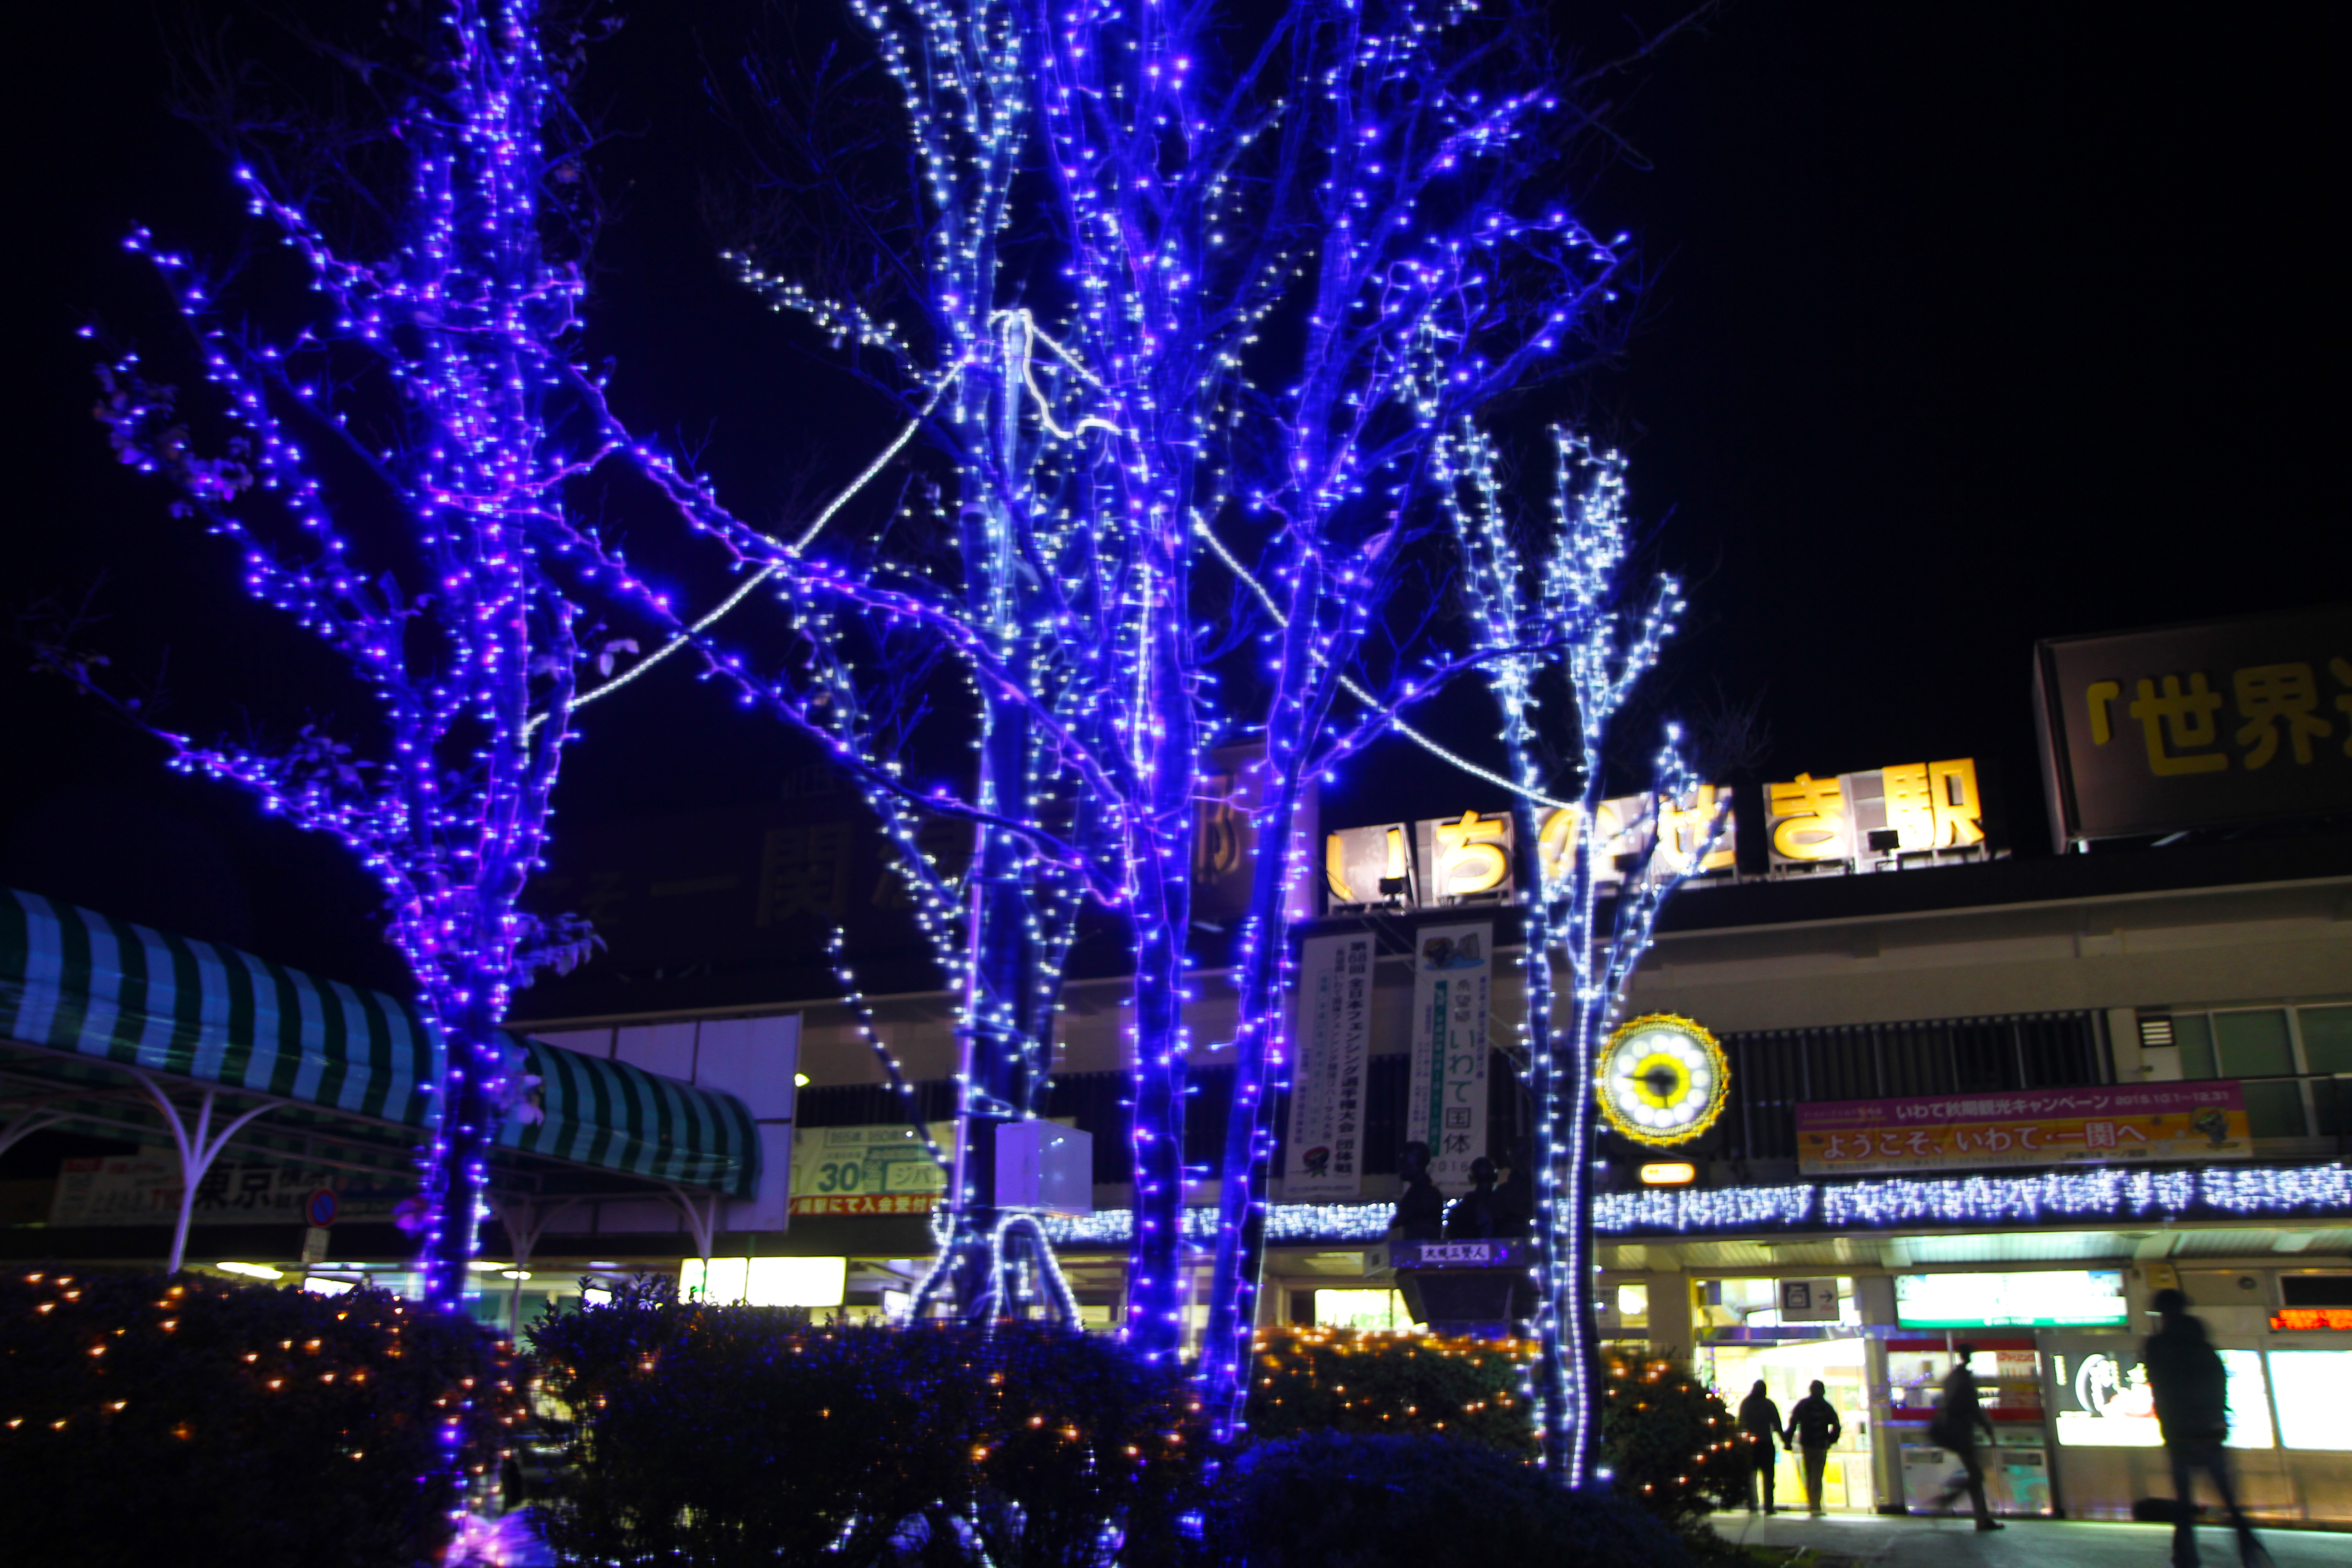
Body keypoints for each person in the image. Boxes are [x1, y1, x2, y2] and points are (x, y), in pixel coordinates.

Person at [2145, 1287, 2268, 1568]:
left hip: (2179, 1437)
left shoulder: (2158, 1347)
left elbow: (2161, 1390)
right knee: (2230, 1502)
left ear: (2163, 1313)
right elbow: (2219, 1386)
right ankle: (2251, 1554)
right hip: (2211, 1435)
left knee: (2183, 1505)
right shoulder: (2204, 1346)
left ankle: (2186, 1559)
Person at [1928, 1342, 2003, 1531]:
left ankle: (1982, 1519)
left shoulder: (1953, 1378)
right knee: (1976, 1476)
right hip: (1961, 1433)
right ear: (1967, 1356)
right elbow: (1973, 1407)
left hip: (1955, 1432)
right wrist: (1988, 1429)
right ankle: (1948, 1499)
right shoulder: (1964, 1380)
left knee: (1976, 1475)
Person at [1785, 1379, 1844, 1515]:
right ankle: (1816, 1505)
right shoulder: (1826, 1406)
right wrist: (1830, 1440)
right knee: (1817, 1475)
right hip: (1820, 1445)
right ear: (1822, 1391)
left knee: (1809, 1474)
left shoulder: (1803, 1405)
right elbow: (1836, 1425)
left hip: (1807, 1445)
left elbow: (1793, 1424)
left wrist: (1787, 1441)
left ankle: (1812, 1503)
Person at [1736, 1379, 1785, 1514]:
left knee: (1750, 1477)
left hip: (1750, 1445)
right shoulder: (1768, 1404)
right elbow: (1777, 1424)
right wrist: (1785, 1441)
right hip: (1766, 1443)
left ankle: (1752, 1504)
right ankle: (1769, 1506)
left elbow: (1741, 1424)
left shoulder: (1746, 1404)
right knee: (1769, 1477)